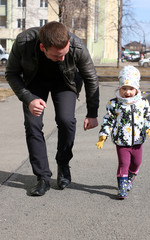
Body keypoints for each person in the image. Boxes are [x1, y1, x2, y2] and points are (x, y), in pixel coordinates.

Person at [5, 21, 99, 196]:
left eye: (64, 54)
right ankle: (42, 177)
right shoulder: (23, 42)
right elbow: (11, 73)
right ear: (43, 47)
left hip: (65, 82)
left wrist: (92, 113)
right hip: (34, 83)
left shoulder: (77, 46)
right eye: (57, 56)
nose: (62, 58)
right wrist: (28, 98)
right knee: (32, 125)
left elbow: (91, 77)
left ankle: (63, 164)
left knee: (66, 120)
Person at [96, 65, 150, 199]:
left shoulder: (142, 103)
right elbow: (108, 120)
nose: (127, 92)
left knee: (136, 163)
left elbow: (149, 117)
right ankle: (122, 188)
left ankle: (130, 176)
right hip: (122, 141)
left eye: (131, 89)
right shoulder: (115, 104)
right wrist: (103, 135)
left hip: (138, 141)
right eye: (124, 88)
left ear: (136, 89)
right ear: (119, 88)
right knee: (123, 163)